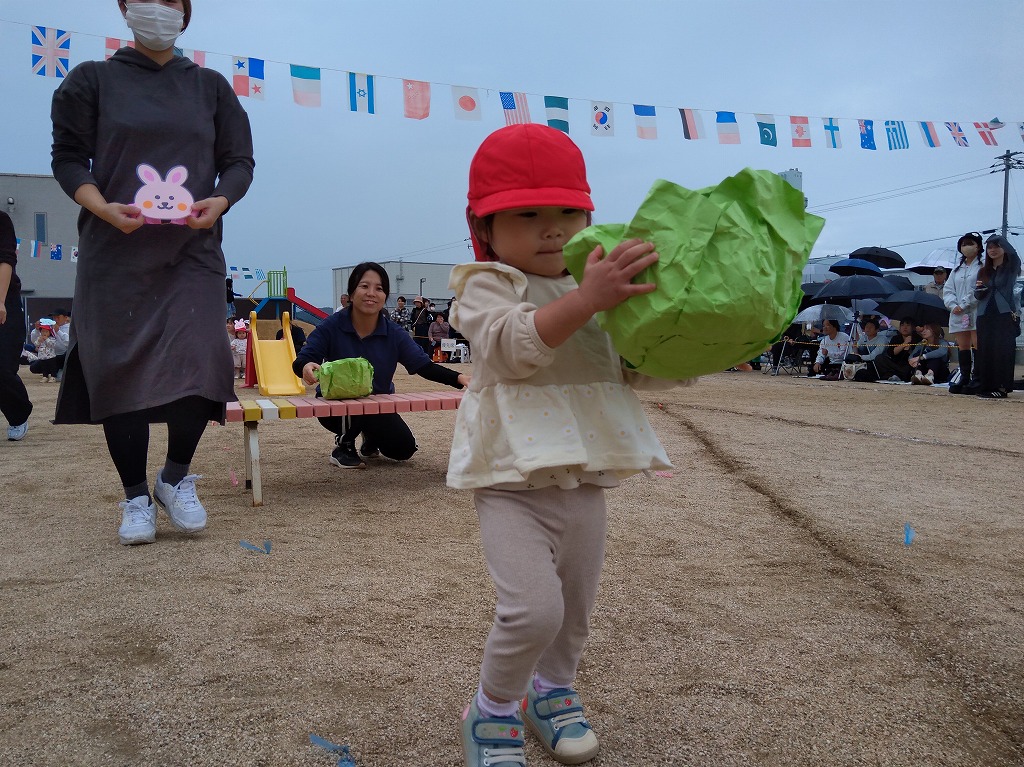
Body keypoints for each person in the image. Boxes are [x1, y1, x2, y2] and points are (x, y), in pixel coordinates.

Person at [449, 124, 687, 767]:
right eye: (526, 214)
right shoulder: (489, 283)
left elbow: (635, 368)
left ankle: (550, 691)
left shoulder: (600, 285)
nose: (552, 229)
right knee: (533, 610)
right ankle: (493, 709)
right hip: (510, 479)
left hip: (583, 474)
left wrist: (700, 340)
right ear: (485, 228)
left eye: (566, 212)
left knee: (575, 610)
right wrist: (588, 298)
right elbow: (509, 347)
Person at [50, 0, 255, 545]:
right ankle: (136, 495)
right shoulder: (91, 80)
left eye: (171, 0)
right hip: (114, 251)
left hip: (193, 252)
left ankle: (175, 477)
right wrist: (101, 207)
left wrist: (221, 201)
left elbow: (239, 162)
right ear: (124, 7)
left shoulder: (211, 87)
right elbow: (67, 157)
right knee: (119, 368)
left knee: (203, 358)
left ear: (186, 13)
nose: (159, 9)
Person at [294, 262, 468, 469]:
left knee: (403, 449)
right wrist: (306, 366)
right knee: (354, 409)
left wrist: (459, 378)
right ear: (351, 293)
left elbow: (423, 366)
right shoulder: (331, 326)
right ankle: (344, 445)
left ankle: (370, 437)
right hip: (334, 406)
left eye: (379, 288)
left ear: (385, 296)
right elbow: (303, 359)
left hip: (377, 404)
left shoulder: (394, 333)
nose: (371, 293)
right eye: (364, 286)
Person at [973, 234, 1021, 399]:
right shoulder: (983, 271)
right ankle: (987, 386)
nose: (992, 250)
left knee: (1003, 350)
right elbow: (977, 294)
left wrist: (998, 238)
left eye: (997, 246)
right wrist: (979, 291)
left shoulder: (1011, 267)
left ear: (1004, 248)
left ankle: (1001, 387)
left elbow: (1014, 254)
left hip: (1004, 313)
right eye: (990, 247)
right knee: (985, 350)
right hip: (984, 314)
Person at [0, 210, 31, 441]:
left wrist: (0, 301)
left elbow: (6, 260)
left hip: (5, 300)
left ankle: (18, 414)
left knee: (2, 368)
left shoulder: (1, 220)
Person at [944, 232, 984, 394]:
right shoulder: (956, 269)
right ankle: (964, 377)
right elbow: (948, 289)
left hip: (976, 310)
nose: (966, 247)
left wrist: (964, 304)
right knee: (963, 346)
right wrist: (953, 305)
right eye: (963, 244)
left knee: (978, 344)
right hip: (958, 313)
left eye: (970, 243)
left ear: (978, 246)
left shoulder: (982, 266)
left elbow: (980, 288)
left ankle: (978, 378)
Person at [868, 318, 921, 382]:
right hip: (895, 364)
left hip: (908, 365)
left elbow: (915, 356)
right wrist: (904, 344)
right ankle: (896, 375)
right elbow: (891, 353)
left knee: (910, 367)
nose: (905, 327)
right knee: (879, 358)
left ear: (913, 327)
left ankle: (894, 375)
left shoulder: (918, 339)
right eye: (902, 325)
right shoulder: (896, 338)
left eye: (908, 325)